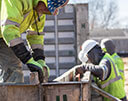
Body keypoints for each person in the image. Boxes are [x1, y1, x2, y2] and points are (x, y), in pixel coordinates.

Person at [0, 0, 69, 83]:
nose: (47, 11)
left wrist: (40, 60)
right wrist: (28, 59)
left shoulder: (40, 9)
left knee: (13, 71)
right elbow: (9, 29)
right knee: (12, 69)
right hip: (6, 31)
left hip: (4, 34)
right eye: (48, 7)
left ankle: (11, 95)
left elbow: (36, 35)